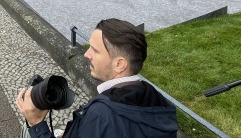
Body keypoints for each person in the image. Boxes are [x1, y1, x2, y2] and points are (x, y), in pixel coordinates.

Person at [16, 19, 178, 138]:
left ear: (119, 64)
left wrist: (37, 124)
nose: (86, 54)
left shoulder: (101, 116)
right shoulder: (159, 101)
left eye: (95, 50)